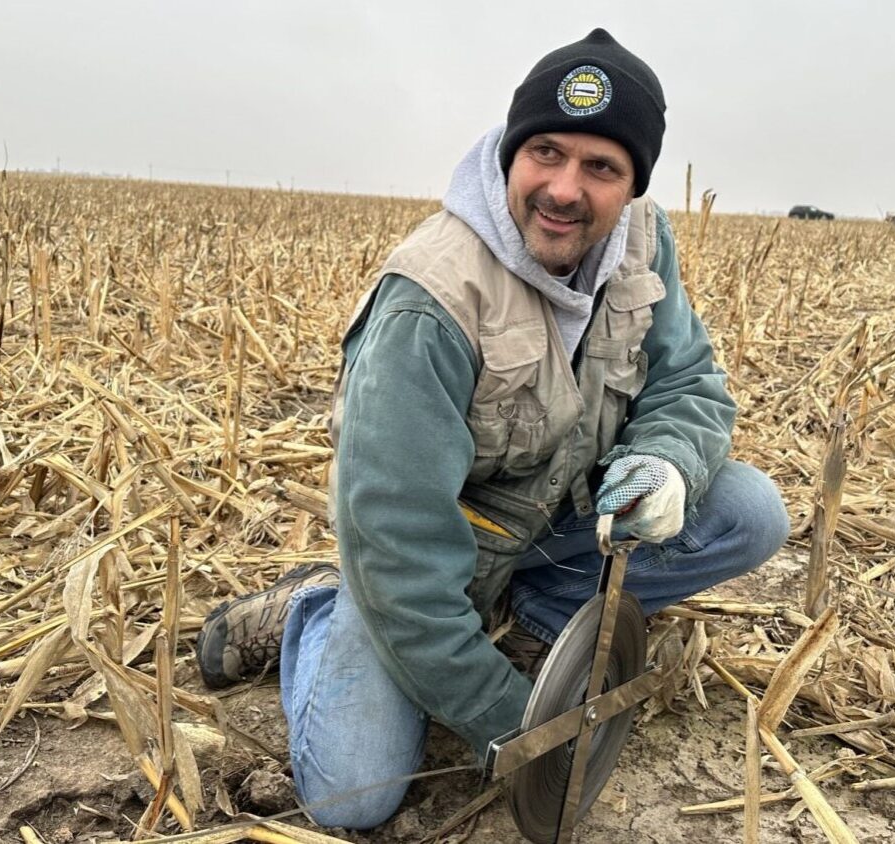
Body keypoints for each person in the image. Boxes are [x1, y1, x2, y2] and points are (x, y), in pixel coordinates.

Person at [196, 27, 789, 830]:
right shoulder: (432, 302)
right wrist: (518, 723)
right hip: (422, 560)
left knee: (749, 512)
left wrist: (664, 461)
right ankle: (319, 606)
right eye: (545, 152)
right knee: (356, 795)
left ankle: (535, 610)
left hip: (551, 527)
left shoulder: (641, 243)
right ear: (512, 151)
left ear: (632, 185)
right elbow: (401, 546)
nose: (565, 188)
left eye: (601, 168)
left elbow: (690, 380)